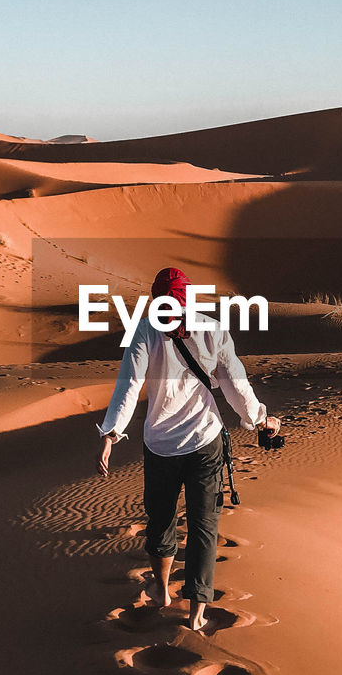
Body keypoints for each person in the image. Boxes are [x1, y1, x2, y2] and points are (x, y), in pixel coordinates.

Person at [94, 267, 280, 630]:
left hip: (160, 445)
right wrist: (260, 420)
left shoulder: (146, 330)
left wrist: (111, 433)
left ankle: (163, 592)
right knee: (204, 527)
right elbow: (235, 385)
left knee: (161, 521)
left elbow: (129, 385)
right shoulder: (212, 329)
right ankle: (197, 614)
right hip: (203, 443)